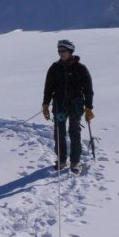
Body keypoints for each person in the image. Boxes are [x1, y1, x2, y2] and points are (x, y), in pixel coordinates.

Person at [42, 39, 95, 173]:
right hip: (59, 105)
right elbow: (48, 88)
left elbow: (88, 90)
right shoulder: (54, 68)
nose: (61, 53)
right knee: (59, 133)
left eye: (63, 51)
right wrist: (45, 104)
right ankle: (61, 160)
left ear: (70, 51)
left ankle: (75, 162)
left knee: (74, 132)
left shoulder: (81, 69)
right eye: (59, 51)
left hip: (75, 105)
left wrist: (89, 107)